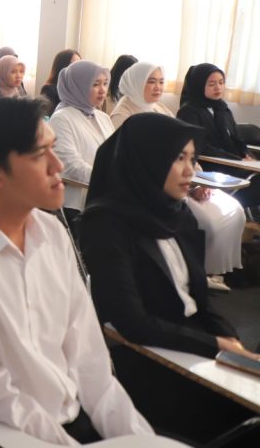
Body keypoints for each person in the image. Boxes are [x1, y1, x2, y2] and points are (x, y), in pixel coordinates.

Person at [0, 96, 153, 445]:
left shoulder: (52, 233)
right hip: (9, 434)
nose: (58, 166)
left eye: (54, 148)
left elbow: (90, 359)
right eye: (39, 155)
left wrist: (138, 439)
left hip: (73, 417)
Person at [80, 114, 251, 360]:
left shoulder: (177, 213)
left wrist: (230, 339)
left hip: (192, 338)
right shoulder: (106, 224)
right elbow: (131, 322)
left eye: (192, 159)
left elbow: (200, 299)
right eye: (179, 158)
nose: (190, 170)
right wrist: (216, 345)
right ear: (148, 159)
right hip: (149, 352)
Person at [114, 63, 247, 281]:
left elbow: (186, 148)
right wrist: (187, 184)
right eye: (151, 81)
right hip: (158, 187)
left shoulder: (160, 109)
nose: (158, 87)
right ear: (136, 83)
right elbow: (139, 162)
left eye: (161, 81)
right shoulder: (123, 115)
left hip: (185, 179)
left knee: (235, 210)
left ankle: (216, 272)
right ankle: (199, 272)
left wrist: (200, 179)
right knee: (208, 223)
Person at [177, 63, 260, 211]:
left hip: (234, 163)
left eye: (221, 83)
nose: (218, 88)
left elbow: (237, 139)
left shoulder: (222, 108)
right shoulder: (188, 111)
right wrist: (237, 159)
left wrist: (246, 155)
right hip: (211, 166)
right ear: (199, 85)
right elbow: (200, 146)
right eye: (212, 84)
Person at [49, 60, 113, 212]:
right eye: (95, 84)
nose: (102, 90)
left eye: (105, 83)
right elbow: (70, 166)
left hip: (104, 198)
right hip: (77, 205)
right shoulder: (61, 118)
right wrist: (111, 178)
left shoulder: (103, 117)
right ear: (78, 86)